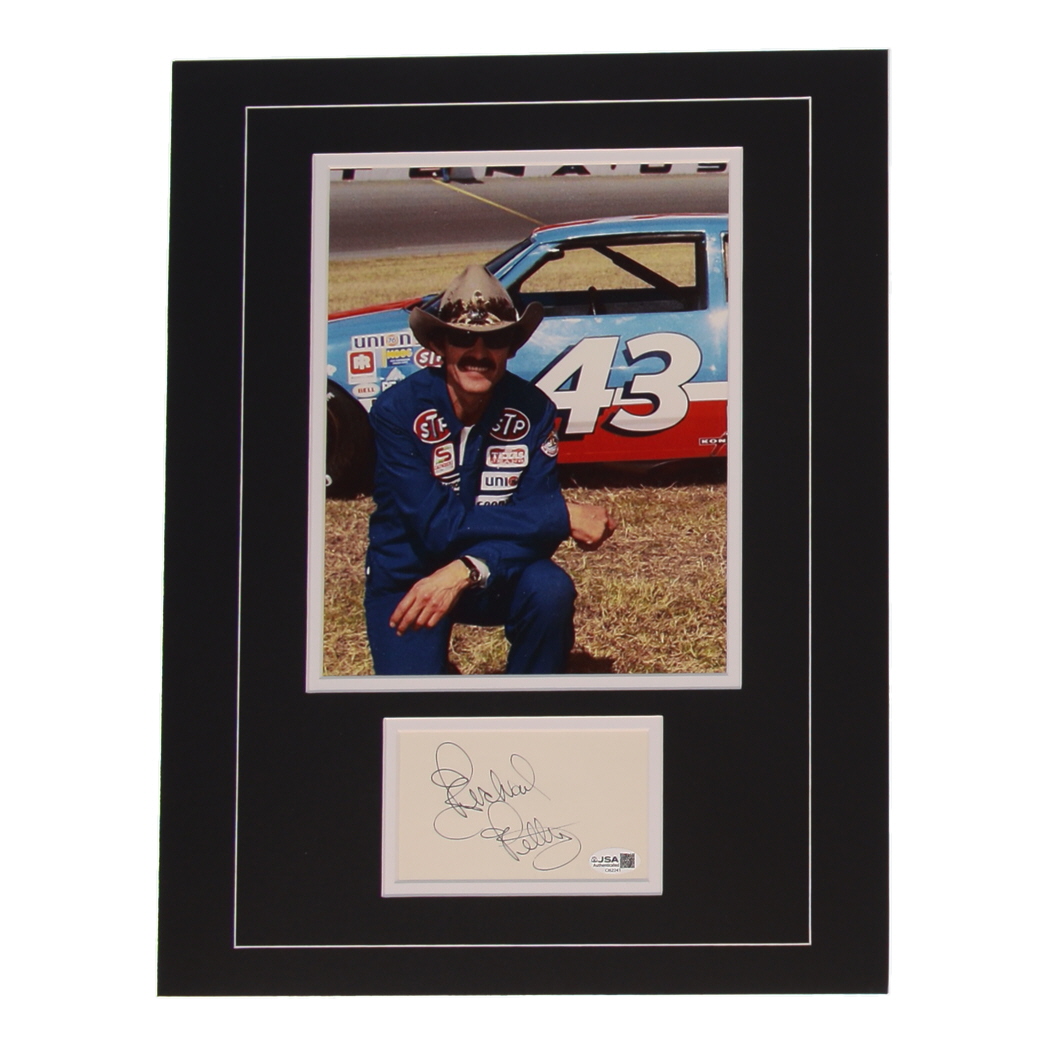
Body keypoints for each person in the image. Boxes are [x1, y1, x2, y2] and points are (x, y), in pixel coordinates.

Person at [364, 264, 616, 675]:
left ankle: (529, 701)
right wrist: (560, 515)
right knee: (414, 704)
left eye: (495, 340)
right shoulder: (397, 411)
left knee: (549, 589)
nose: (479, 354)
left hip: (494, 567)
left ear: (510, 348)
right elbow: (438, 526)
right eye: (464, 338)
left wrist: (468, 568)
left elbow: (537, 533)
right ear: (440, 344)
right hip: (411, 574)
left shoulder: (534, 410)